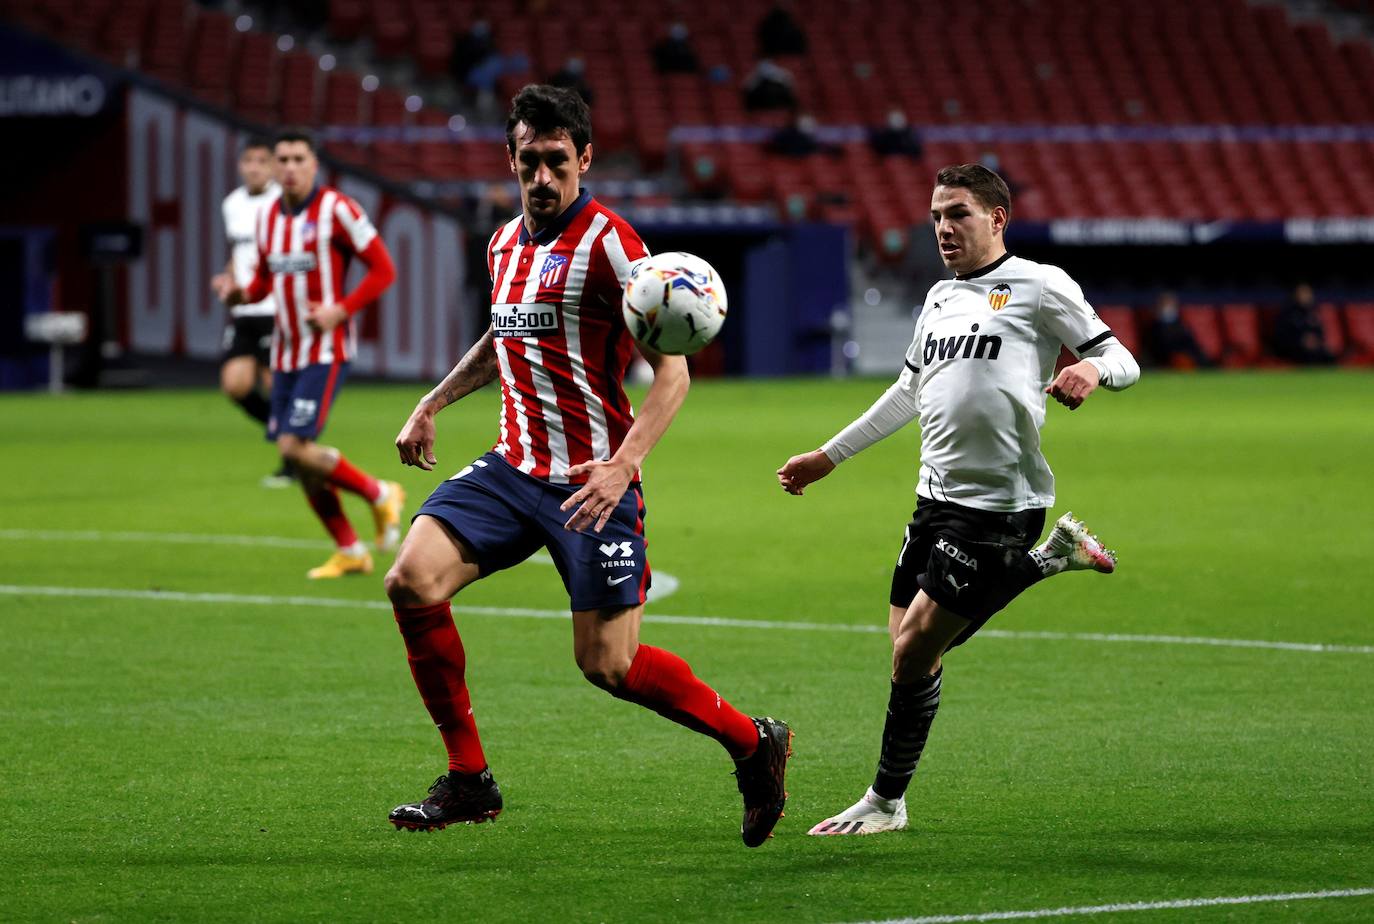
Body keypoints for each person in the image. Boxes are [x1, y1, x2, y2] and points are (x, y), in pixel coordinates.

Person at [383, 85, 792, 846]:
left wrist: (622, 466)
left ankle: (751, 742)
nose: (543, 177)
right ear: (510, 160)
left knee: (609, 665)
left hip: (591, 483)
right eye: (529, 161)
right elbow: (502, 341)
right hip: (513, 469)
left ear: (585, 159)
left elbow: (672, 375)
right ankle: (470, 780)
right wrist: (432, 402)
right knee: (410, 579)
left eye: (557, 162)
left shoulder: (611, 243)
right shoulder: (504, 243)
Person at [777, 164, 1140, 836]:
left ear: (997, 218)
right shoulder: (940, 298)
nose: (944, 227)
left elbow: (1122, 356)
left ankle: (886, 802)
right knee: (907, 653)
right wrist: (830, 456)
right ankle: (1050, 559)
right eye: (937, 215)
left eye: (959, 213)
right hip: (933, 498)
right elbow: (909, 393)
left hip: (1000, 503)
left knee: (914, 649)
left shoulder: (1038, 285)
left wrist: (1089, 367)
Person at [213, 129, 406, 579]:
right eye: (283, 159)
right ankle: (352, 549)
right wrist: (238, 293)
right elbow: (264, 283)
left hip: (325, 349)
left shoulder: (338, 209)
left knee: (293, 446)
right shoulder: (265, 220)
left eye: (298, 158)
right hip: (284, 352)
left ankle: (380, 492)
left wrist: (342, 308)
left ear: (314, 164)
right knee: (299, 457)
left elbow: (383, 269)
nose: (290, 168)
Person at [209, 137, 289, 486]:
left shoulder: (283, 202)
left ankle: (292, 462)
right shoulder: (233, 204)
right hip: (245, 309)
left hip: (275, 306)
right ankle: (288, 433)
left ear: (272, 166)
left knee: (275, 384)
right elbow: (239, 254)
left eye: (261, 161)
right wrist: (227, 278)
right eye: (248, 161)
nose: (254, 167)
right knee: (235, 385)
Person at [1272, 283, 1336, 365]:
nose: (1307, 297)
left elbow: (1320, 331)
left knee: (1328, 355)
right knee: (1308, 355)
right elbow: (1282, 335)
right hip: (1293, 347)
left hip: (1313, 347)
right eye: (1303, 293)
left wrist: (1315, 340)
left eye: (1308, 293)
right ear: (1296, 295)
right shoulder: (1287, 313)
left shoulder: (1313, 312)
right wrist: (1301, 341)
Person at [1147, 291, 1212, 369]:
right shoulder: (1154, 327)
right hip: (1167, 360)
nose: (1168, 308)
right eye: (1166, 304)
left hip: (1188, 357)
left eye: (1170, 304)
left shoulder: (1181, 325)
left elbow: (1191, 344)